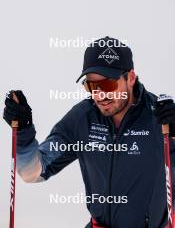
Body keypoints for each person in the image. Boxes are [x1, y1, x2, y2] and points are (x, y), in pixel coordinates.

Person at [3, 36, 175, 228]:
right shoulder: (83, 119)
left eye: (108, 84)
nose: (100, 95)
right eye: (92, 86)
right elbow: (32, 172)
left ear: (131, 78)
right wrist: (24, 130)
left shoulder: (162, 119)